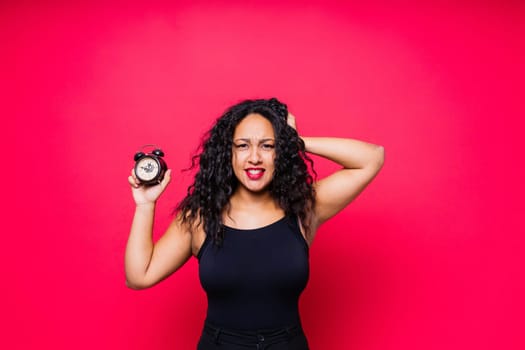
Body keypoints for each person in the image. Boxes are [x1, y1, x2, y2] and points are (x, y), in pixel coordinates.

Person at [125, 98, 385, 349]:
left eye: (267, 146)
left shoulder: (304, 208)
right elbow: (140, 276)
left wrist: (294, 141)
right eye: (242, 146)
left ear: (280, 152)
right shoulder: (199, 218)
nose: (254, 157)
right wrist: (145, 204)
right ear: (228, 153)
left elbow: (372, 158)